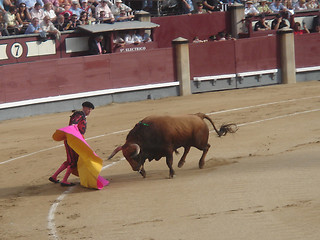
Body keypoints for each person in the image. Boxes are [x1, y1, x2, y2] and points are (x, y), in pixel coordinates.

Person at [49, 101, 95, 187]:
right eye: (88, 109)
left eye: (90, 109)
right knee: (73, 161)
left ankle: (54, 176)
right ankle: (64, 180)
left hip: (74, 139)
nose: (89, 111)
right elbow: (73, 124)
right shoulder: (80, 114)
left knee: (69, 160)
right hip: (73, 140)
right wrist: (76, 136)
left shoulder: (82, 115)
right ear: (84, 107)